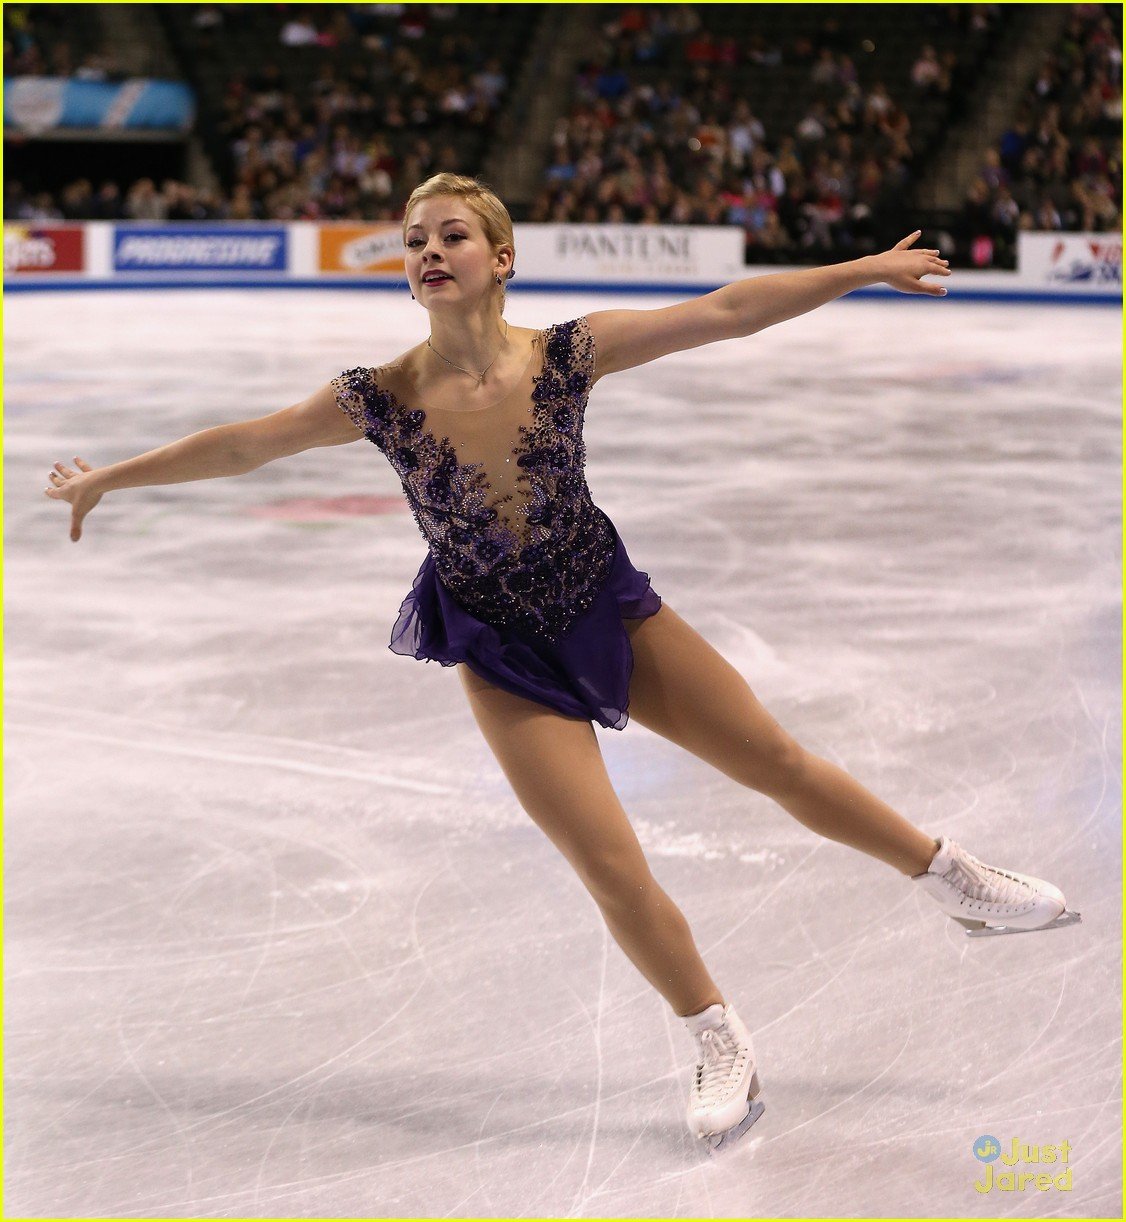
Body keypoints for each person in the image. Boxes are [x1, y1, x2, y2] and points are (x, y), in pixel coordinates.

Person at [44, 172, 1080, 1154]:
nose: (429, 251)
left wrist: (857, 270)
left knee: (777, 762)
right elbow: (243, 446)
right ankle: (718, 1041)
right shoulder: (377, 396)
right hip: (495, 641)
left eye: (452, 235)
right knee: (608, 862)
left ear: (501, 257)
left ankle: (950, 876)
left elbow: (724, 311)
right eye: (414, 241)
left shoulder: (567, 354)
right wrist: (111, 480)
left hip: (605, 603)